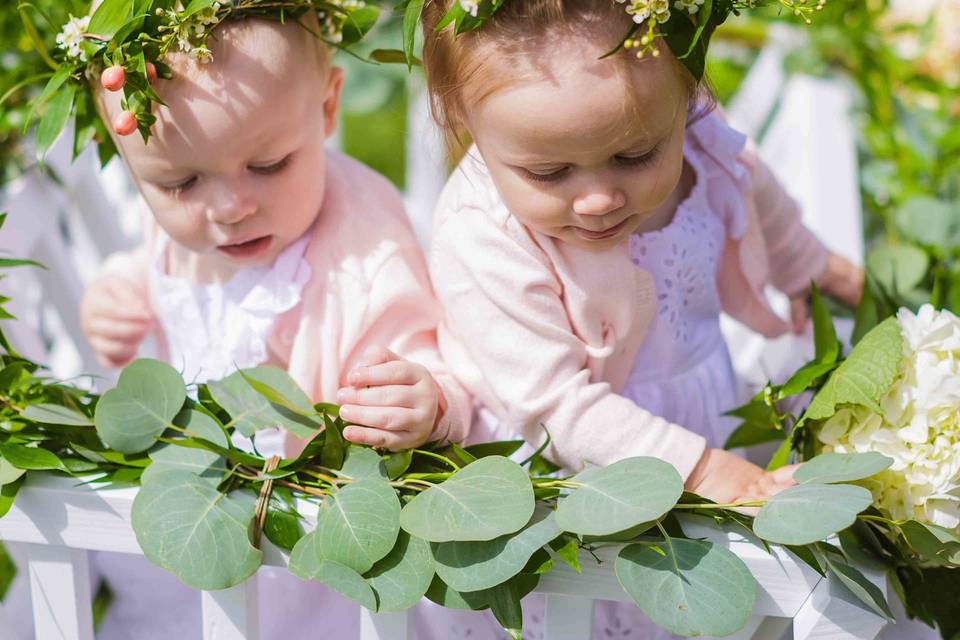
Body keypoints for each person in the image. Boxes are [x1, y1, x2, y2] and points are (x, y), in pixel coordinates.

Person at [419, 0, 863, 637]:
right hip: (572, 482)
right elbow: (557, 409)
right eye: (548, 172)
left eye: (636, 157)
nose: (599, 198)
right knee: (598, 610)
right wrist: (705, 471)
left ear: (688, 93)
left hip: (702, 419)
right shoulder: (483, 235)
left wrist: (826, 274)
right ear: (462, 115)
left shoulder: (702, 137)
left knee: (712, 603)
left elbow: (761, 204)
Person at [75, 11, 470, 639]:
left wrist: (431, 398)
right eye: (180, 183)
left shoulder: (364, 250)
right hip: (198, 508)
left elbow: (422, 348)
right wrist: (116, 292)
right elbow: (150, 263)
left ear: (328, 107)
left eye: (269, 165)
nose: (230, 208)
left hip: (309, 554)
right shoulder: (178, 226)